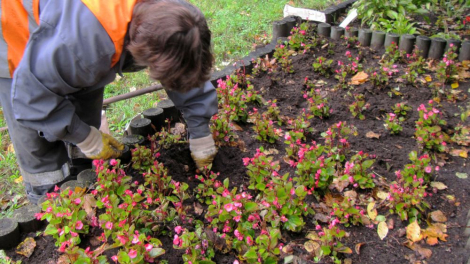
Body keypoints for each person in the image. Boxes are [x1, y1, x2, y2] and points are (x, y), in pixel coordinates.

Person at [0, 0, 218, 204]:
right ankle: (49, 206)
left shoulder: (175, 15)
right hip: (17, 36)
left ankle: (84, 178)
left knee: (84, 109)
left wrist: (200, 132)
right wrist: (86, 138)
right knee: (41, 153)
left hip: (77, 30)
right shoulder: (85, 46)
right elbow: (31, 100)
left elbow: (184, 66)